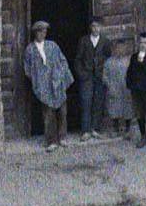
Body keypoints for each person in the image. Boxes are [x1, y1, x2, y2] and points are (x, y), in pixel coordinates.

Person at [24, 19, 72, 150]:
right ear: (35, 33)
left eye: (44, 32)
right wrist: (37, 80)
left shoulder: (52, 46)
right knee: (48, 113)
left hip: (57, 82)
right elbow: (27, 68)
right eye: (40, 32)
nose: (43, 34)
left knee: (62, 111)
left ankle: (62, 137)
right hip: (43, 85)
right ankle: (51, 141)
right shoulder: (30, 49)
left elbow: (63, 60)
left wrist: (61, 74)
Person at [75, 17, 109, 137]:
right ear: (90, 27)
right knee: (86, 101)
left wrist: (104, 71)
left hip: (99, 76)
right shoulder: (83, 41)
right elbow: (78, 59)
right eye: (93, 26)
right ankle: (86, 130)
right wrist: (82, 73)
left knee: (98, 101)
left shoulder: (105, 41)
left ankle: (95, 128)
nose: (96, 29)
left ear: (101, 27)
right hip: (87, 76)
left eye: (98, 26)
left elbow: (108, 58)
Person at [103, 39, 133, 138]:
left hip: (126, 88)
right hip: (114, 89)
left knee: (127, 108)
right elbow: (105, 76)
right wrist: (109, 85)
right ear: (114, 49)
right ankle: (115, 128)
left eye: (122, 48)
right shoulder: (109, 62)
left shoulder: (129, 61)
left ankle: (127, 129)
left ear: (125, 49)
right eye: (117, 48)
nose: (119, 50)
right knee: (114, 108)